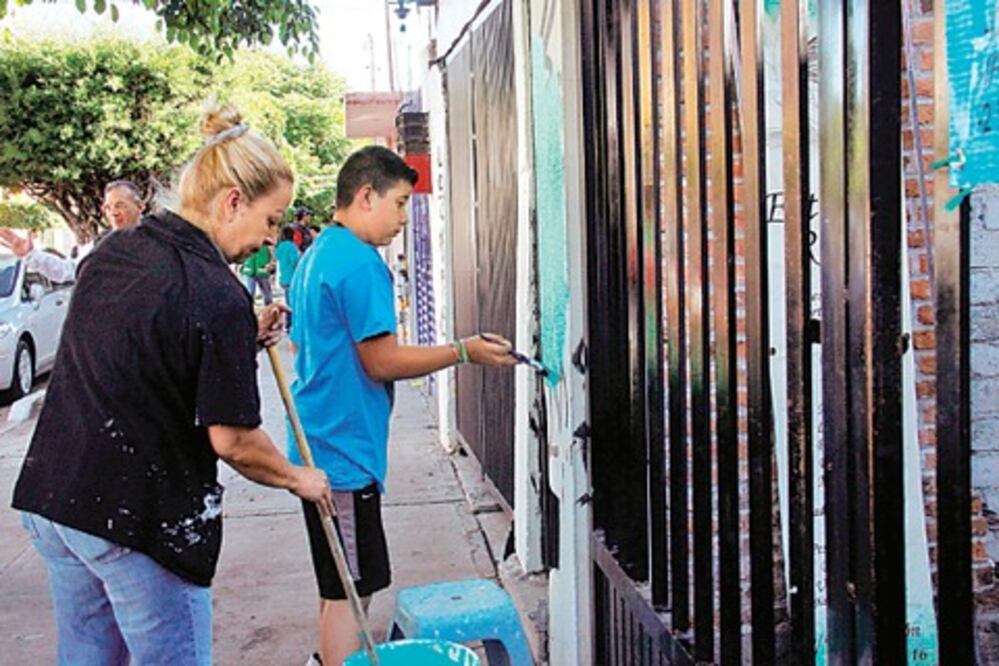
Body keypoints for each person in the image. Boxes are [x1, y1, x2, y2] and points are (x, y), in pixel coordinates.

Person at [10, 103, 332, 666]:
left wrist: (236, 339)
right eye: (271, 218)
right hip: (130, 517)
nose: (269, 237)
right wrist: (297, 477)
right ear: (233, 200)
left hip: (55, 498)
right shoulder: (214, 292)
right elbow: (234, 442)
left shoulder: (116, 250)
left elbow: (138, 345)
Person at [287, 145, 517, 665]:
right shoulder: (359, 264)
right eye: (398, 204)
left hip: (322, 442)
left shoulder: (318, 254)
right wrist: (463, 351)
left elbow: (306, 346)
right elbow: (382, 361)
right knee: (348, 592)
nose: (401, 219)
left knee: (347, 584)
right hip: (339, 455)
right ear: (365, 196)